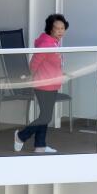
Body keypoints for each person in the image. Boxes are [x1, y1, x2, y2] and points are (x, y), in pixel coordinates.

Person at [14, 14, 68, 154]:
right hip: (43, 84)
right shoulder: (46, 44)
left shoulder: (54, 42)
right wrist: (31, 77)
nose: (60, 31)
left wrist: (62, 74)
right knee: (45, 116)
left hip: (52, 83)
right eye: (57, 29)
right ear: (50, 29)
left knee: (45, 115)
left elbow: (53, 64)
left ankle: (40, 146)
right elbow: (34, 63)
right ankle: (21, 136)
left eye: (63, 28)